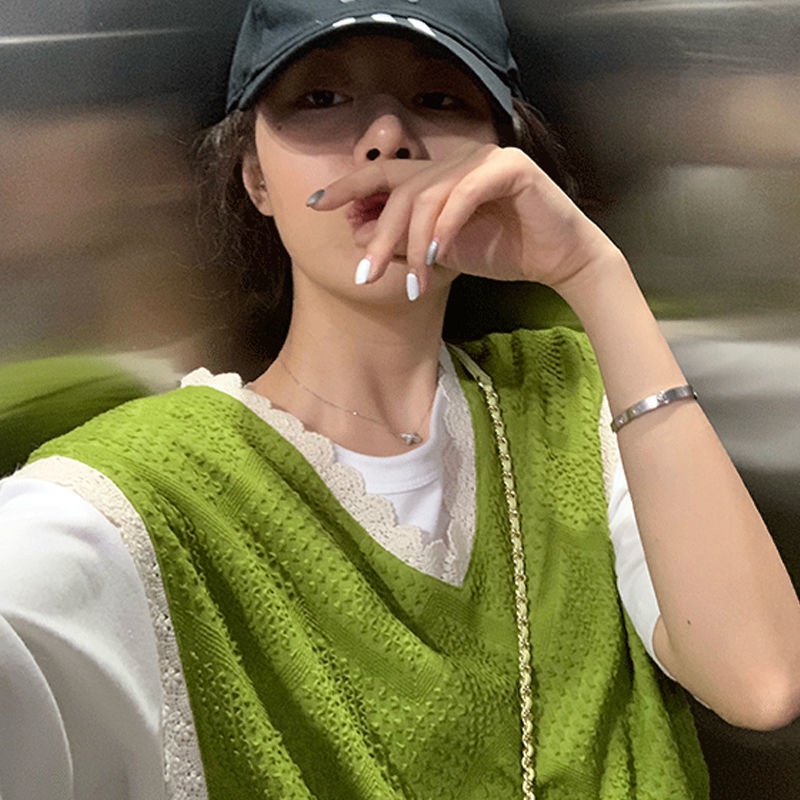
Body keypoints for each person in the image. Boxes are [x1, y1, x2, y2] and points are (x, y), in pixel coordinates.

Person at [1, 1, 799, 798]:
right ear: (256, 177)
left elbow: (761, 680)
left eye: (439, 99)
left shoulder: (572, 398)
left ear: (501, 160)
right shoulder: (144, 491)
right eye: (321, 98)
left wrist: (594, 273)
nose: (387, 137)